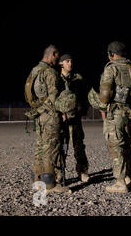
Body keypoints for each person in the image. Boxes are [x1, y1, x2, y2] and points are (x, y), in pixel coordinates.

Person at [98, 41, 131, 193]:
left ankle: (120, 182)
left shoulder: (112, 68)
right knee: (126, 145)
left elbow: (104, 95)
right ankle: (128, 177)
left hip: (116, 113)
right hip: (130, 114)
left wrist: (102, 104)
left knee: (115, 146)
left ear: (112, 54)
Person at [28, 45, 71, 193]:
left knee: (40, 147)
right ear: (52, 54)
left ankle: (37, 179)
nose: (57, 60)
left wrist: (39, 108)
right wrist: (62, 110)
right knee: (51, 149)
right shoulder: (50, 72)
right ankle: (50, 185)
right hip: (51, 115)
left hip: (39, 115)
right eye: (57, 57)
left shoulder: (35, 71)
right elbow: (54, 97)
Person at [58, 54, 90, 183]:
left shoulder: (78, 78)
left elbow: (85, 96)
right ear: (61, 63)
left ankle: (82, 171)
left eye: (71, 61)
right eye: (67, 61)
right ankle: (59, 173)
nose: (70, 63)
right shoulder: (56, 79)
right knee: (61, 145)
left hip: (75, 118)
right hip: (62, 119)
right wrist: (59, 113)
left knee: (79, 145)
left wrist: (83, 111)